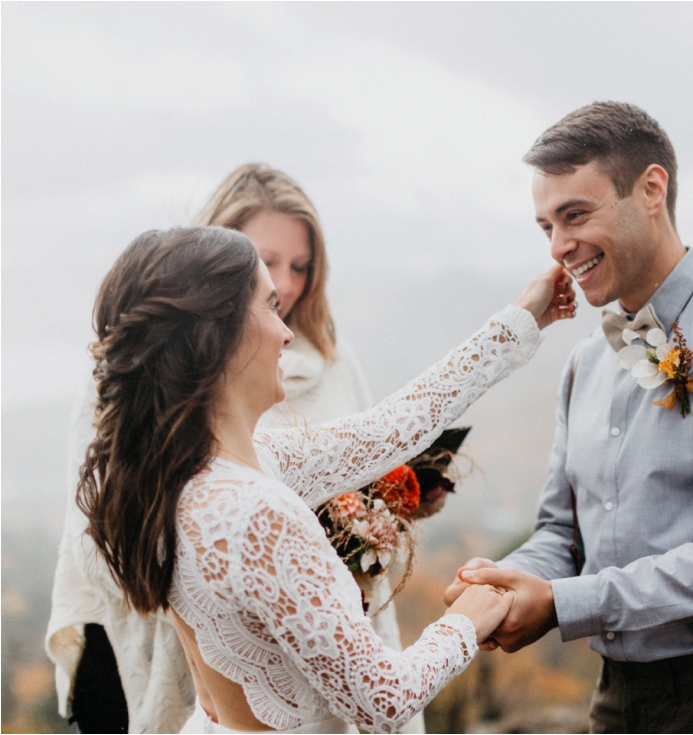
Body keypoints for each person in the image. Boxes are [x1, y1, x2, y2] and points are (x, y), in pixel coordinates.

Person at [74, 225, 574, 733]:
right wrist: (470, 616)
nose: (286, 331)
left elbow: (387, 430)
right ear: (220, 336)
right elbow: (382, 699)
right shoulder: (254, 510)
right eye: (269, 307)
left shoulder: (181, 473)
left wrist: (520, 319)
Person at [445, 102, 693, 733]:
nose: (558, 247)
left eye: (575, 215)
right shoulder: (584, 364)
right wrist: (497, 588)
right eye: (546, 225)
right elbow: (562, 534)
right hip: (616, 703)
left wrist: (562, 605)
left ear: (652, 190)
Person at [45, 164, 435, 733]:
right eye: (266, 263)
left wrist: (357, 535)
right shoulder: (137, 373)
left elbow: (372, 453)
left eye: (301, 267)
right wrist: (243, 564)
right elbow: (118, 529)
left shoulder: (334, 362)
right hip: (202, 666)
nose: (288, 284)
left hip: (333, 645)